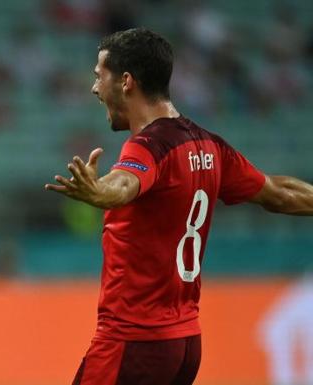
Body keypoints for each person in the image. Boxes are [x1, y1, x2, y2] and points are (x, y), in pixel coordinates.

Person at [45, 28, 313, 385]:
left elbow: (124, 184)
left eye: (99, 76)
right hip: (184, 344)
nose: (95, 88)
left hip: (134, 342)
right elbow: (279, 192)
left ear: (126, 82)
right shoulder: (208, 145)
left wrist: (98, 191)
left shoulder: (148, 146)